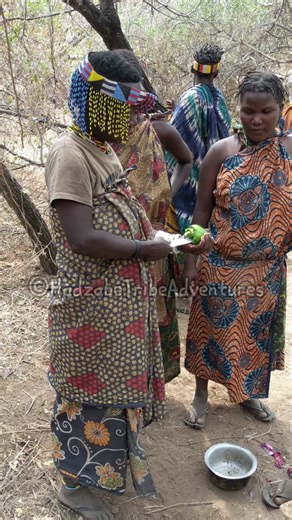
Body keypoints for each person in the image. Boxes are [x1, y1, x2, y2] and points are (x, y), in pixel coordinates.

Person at [45, 50, 174, 520]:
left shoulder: (100, 147)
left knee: (110, 397)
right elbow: (81, 236)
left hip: (114, 310)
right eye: (125, 110)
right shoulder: (69, 154)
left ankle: (102, 475)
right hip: (88, 310)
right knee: (84, 398)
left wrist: (158, 240)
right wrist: (144, 251)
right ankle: (74, 490)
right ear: (100, 104)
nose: (132, 121)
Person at [183, 71, 292, 429]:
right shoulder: (221, 152)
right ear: (238, 110)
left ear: (281, 110)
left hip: (267, 270)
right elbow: (200, 212)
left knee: (253, 338)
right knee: (207, 332)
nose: (256, 119)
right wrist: (191, 261)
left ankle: (248, 395)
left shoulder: (289, 153)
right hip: (220, 265)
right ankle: (201, 396)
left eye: (266, 111)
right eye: (248, 111)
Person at [112, 49, 193, 383]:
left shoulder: (157, 131)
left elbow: (186, 160)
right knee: (118, 316)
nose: (128, 110)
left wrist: (166, 195)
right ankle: (119, 383)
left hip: (154, 243)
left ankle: (147, 384)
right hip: (114, 245)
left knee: (151, 313)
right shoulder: (96, 140)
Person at [165, 43, 231, 235]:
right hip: (213, 179)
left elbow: (174, 139)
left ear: (192, 69)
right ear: (216, 74)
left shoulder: (190, 98)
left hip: (188, 178)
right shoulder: (219, 100)